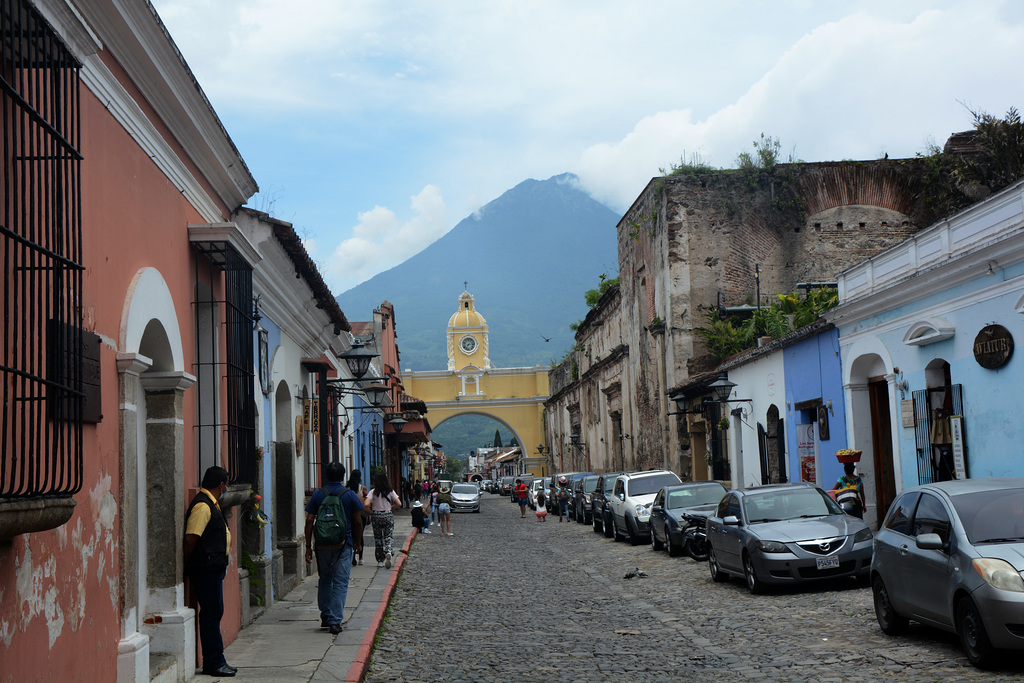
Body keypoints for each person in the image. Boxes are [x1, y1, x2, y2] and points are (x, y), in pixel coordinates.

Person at [183, 466, 236, 677]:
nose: (226, 488)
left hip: (212, 568)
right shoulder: (203, 506)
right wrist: (187, 564)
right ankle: (214, 662)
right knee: (211, 615)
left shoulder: (211, 504)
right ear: (221, 485)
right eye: (226, 485)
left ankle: (217, 659)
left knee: (214, 613)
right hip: (205, 570)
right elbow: (190, 538)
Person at [304, 461, 363, 635]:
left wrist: (308, 546)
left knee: (325, 579)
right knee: (340, 582)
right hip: (343, 544)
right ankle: (336, 622)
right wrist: (358, 543)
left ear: (326, 476)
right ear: (343, 476)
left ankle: (326, 615)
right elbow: (358, 522)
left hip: (321, 545)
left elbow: (309, 521)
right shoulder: (349, 495)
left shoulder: (317, 495)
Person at [365, 471, 402, 568]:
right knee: (388, 536)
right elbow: (399, 504)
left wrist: (370, 509)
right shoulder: (390, 491)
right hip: (387, 515)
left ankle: (380, 561)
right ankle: (389, 551)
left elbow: (366, 504)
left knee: (378, 538)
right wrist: (392, 507)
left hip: (376, 516)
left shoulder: (373, 492)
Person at [347, 470, 368, 566]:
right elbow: (366, 502)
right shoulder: (362, 488)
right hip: (360, 515)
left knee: (351, 535)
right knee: (360, 535)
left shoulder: (347, 487)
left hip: (350, 514)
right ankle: (360, 557)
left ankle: (352, 555)